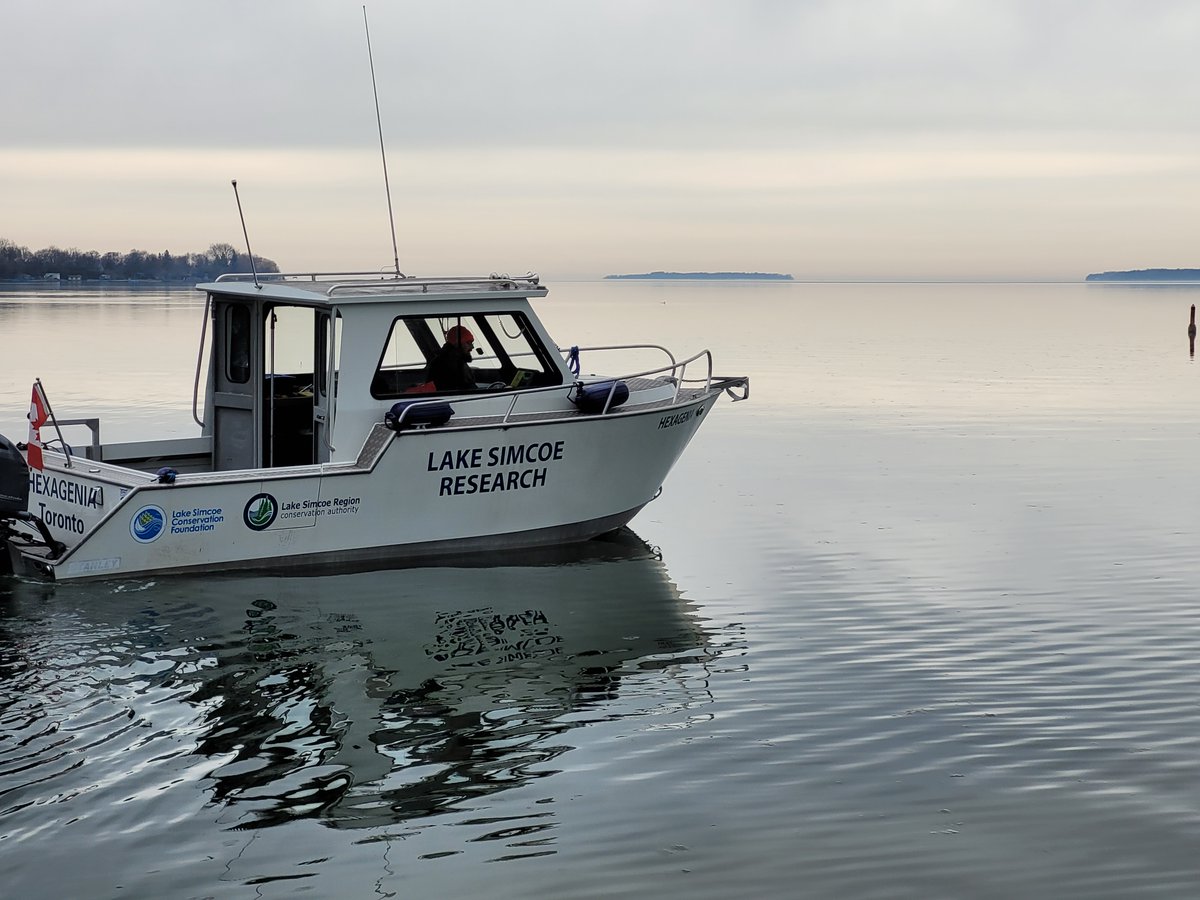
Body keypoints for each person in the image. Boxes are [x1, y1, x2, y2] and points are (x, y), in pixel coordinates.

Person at [424, 324, 477, 391]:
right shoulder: (450, 365)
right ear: (457, 344)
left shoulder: (449, 360)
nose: (472, 347)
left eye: (472, 343)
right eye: (468, 343)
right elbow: (465, 391)